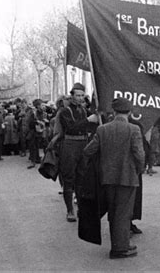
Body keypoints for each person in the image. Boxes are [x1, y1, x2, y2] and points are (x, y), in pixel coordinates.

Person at [83, 97, 145, 259]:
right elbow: (139, 154)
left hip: (107, 177)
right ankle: (120, 248)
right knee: (123, 213)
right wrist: (139, 170)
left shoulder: (103, 129)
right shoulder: (133, 129)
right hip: (127, 177)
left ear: (114, 111)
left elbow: (89, 151)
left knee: (114, 211)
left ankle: (118, 244)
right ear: (129, 112)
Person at [59, 83, 99, 222]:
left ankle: (81, 208)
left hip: (83, 144)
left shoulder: (83, 110)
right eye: (77, 95)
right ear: (72, 96)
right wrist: (88, 120)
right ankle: (70, 210)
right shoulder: (65, 111)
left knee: (82, 178)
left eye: (82, 95)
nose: (80, 98)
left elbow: (92, 124)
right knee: (69, 178)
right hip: (70, 145)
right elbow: (71, 127)